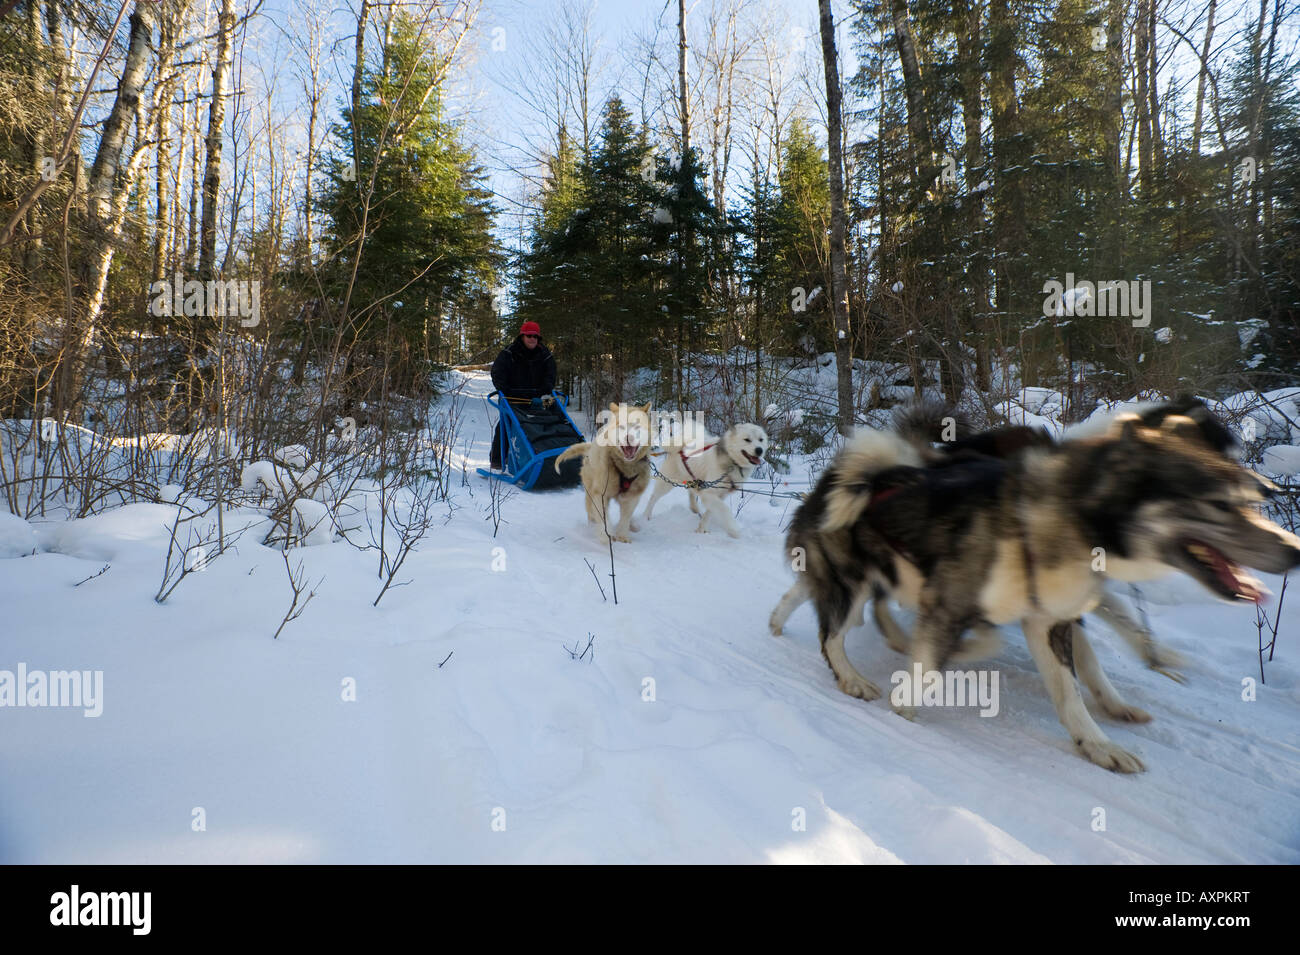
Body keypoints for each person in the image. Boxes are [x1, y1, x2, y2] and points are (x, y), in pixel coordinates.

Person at [489, 321, 557, 468]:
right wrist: (505, 389)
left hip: (537, 399)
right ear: (522, 336)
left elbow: (550, 375)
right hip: (512, 398)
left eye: (535, 336)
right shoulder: (509, 353)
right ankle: (497, 460)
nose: (532, 339)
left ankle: (550, 456)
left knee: (552, 420)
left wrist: (545, 390)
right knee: (506, 423)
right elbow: (497, 373)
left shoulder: (545, 355)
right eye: (529, 336)